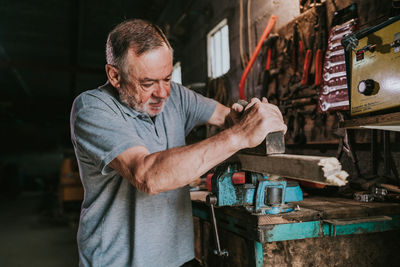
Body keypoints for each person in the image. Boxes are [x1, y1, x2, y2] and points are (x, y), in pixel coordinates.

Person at [70, 19, 286, 267]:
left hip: (177, 259)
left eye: (167, 78)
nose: (162, 93)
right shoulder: (92, 108)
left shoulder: (177, 97)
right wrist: (240, 134)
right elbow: (147, 175)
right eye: (148, 83)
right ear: (115, 75)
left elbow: (227, 116)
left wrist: (253, 117)